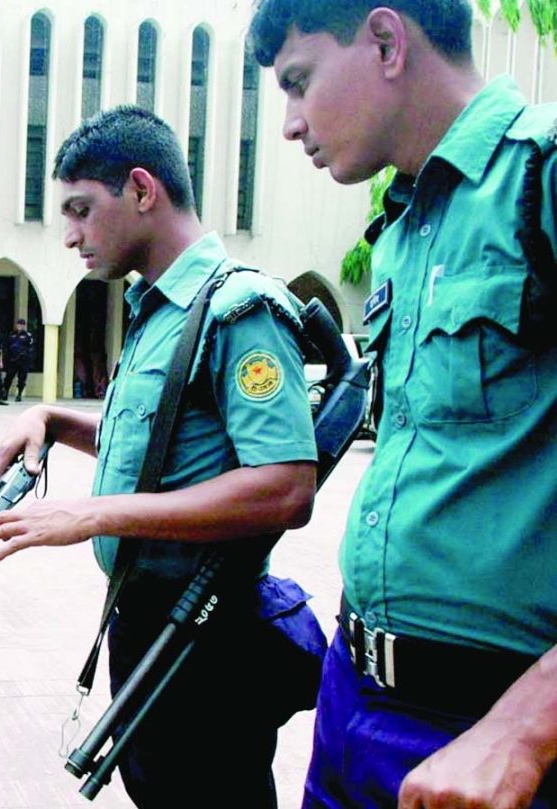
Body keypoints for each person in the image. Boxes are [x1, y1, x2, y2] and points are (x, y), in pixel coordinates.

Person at [0, 105, 324, 808]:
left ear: (140, 189)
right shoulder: (160, 308)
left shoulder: (236, 309)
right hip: (147, 626)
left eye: (80, 209)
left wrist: (92, 512)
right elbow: (156, 448)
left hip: (205, 637)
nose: (69, 234)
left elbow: (286, 487)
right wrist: (54, 419)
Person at [251, 1, 557, 806]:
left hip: (490, 734)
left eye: (298, 81)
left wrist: (528, 726)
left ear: (385, 41)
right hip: (353, 699)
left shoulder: (540, 175)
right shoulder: (399, 230)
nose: (289, 123)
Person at [2, 318, 34, 402]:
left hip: (23, 361)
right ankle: (5, 393)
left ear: (24, 326)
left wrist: (27, 356)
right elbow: (6, 346)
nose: (19, 326)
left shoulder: (28, 335)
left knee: (22, 379)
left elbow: (31, 348)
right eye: (18, 324)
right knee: (8, 378)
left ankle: (19, 395)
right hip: (12, 360)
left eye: (21, 325)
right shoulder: (12, 334)